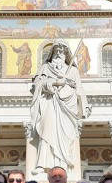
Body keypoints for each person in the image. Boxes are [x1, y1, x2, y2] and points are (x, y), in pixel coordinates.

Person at [30, 41, 91, 171]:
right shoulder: (45, 68)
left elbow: (79, 88)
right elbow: (36, 85)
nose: (59, 54)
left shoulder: (73, 70)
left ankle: (65, 166)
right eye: (56, 51)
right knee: (46, 129)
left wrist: (84, 105)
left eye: (62, 52)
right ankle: (42, 164)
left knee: (67, 135)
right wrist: (56, 82)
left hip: (68, 106)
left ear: (66, 54)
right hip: (49, 102)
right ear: (51, 53)